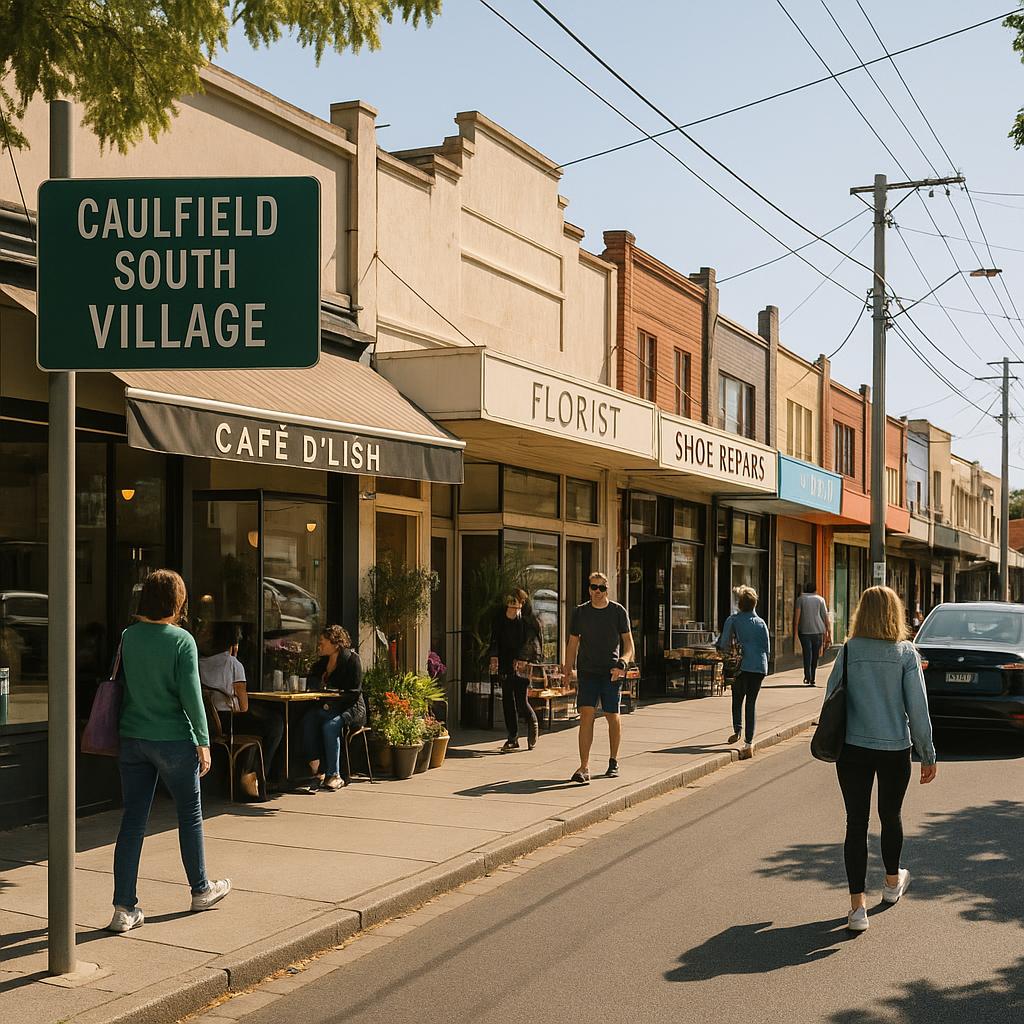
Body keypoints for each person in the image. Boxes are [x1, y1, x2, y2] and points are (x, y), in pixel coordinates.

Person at [108, 569, 231, 933]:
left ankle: (123, 908)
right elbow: (192, 695)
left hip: (133, 737)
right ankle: (200, 889)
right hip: (174, 740)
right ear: (177, 602)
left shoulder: (129, 636)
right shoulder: (182, 641)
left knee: (132, 821)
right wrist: (203, 741)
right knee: (189, 814)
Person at [823, 585, 937, 934]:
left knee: (856, 823)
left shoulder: (849, 650)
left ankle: (857, 908)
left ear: (861, 612)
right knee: (890, 815)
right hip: (893, 749)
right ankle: (891, 884)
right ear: (895, 612)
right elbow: (917, 708)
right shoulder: (906, 653)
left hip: (853, 748)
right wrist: (927, 752)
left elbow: (831, 697)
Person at [562, 571, 634, 785]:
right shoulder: (580, 612)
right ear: (589, 589)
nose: (597, 592)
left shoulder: (618, 611)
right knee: (586, 714)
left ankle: (613, 760)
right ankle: (584, 767)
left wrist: (623, 663)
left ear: (607, 590)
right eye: (594, 587)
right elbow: (573, 643)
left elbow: (629, 645)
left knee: (612, 714)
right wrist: (567, 669)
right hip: (588, 671)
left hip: (611, 672)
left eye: (601, 588)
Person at [199, 622, 284, 799]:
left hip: (209, 721)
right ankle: (259, 775)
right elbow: (243, 706)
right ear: (233, 644)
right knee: (275, 723)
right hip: (230, 722)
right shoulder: (233, 664)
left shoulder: (200, 662)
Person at [297, 626, 365, 793]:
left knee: (330, 725)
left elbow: (354, 693)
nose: (319, 645)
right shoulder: (322, 663)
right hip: (328, 707)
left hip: (351, 708)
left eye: (322, 642)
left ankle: (335, 775)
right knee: (308, 719)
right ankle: (316, 768)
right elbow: (312, 682)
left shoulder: (352, 660)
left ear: (335, 643)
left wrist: (332, 699)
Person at [717, 586, 770, 758]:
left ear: (739, 604)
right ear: (755, 604)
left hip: (741, 666)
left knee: (737, 697)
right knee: (751, 703)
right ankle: (749, 742)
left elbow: (724, 642)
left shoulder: (733, 620)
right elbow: (767, 648)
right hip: (759, 666)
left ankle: (737, 729)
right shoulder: (761, 623)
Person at [489, 593, 542, 753]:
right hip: (505, 662)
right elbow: (495, 639)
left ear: (521, 605)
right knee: (507, 700)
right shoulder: (500, 619)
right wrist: (493, 656)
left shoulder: (527, 621)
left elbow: (532, 643)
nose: (511, 609)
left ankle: (532, 722)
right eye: (509, 605)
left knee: (521, 701)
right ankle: (512, 738)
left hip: (521, 664)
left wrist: (522, 658)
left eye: (515, 605)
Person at [793, 581, 831, 686]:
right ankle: (813, 677)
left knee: (807, 654)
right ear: (815, 589)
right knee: (815, 655)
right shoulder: (820, 599)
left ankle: (807, 676)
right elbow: (825, 616)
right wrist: (828, 631)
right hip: (818, 631)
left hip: (804, 631)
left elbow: (797, 616)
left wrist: (795, 631)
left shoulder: (800, 599)